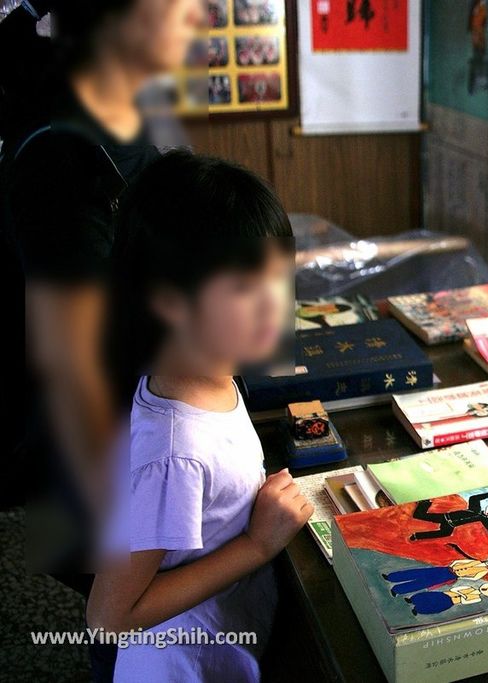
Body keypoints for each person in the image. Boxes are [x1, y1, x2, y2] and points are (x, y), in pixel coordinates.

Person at [86, 152, 310, 680]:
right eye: (245, 289)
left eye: (280, 279)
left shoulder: (208, 373)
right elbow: (107, 619)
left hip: (226, 636)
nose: (275, 305)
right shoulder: (174, 454)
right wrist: (256, 543)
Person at [0, 0, 201, 586]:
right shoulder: (59, 153)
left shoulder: (117, 113)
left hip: (151, 422)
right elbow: (77, 361)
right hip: (113, 462)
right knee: (130, 647)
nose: (197, 18)